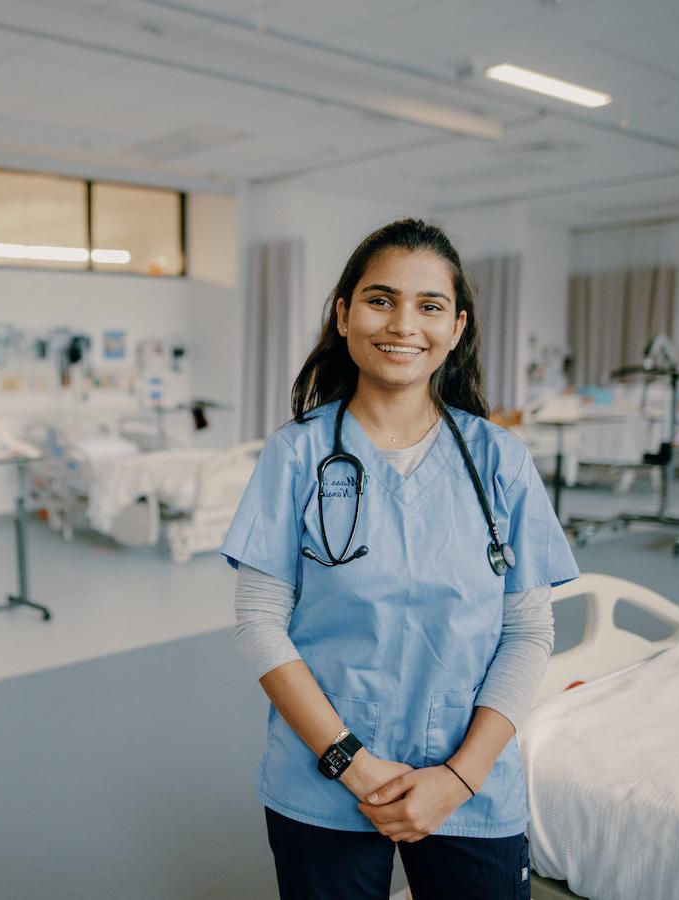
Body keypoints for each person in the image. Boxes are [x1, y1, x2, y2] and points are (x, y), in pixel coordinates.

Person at [220, 219, 579, 900]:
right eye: (380, 299)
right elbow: (260, 623)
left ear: (456, 326)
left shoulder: (497, 459)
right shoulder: (295, 455)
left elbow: (528, 631)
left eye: (429, 305)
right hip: (325, 781)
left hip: (468, 785)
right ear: (344, 314)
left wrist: (460, 778)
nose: (403, 323)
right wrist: (349, 762)